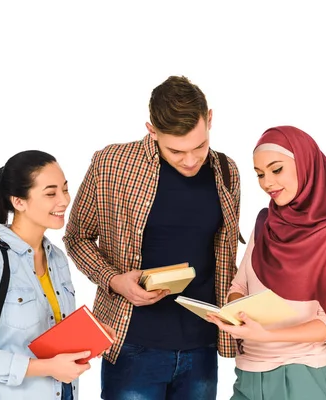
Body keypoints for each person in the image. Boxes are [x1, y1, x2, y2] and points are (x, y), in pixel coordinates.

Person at [63, 75, 242, 399]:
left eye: (199, 146)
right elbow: (77, 238)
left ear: (210, 119)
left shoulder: (226, 171)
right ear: (152, 130)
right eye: (176, 150)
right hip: (132, 343)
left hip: (201, 347)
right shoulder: (111, 164)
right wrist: (115, 281)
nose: (190, 160)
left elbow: (225, 258)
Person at [208, 126, 326, 400]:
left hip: (302, 375)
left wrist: (263, 335)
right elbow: (240, 284)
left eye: (276, 169)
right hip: (248, 372)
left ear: (305, 165)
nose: (267, 182)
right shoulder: (265, 223)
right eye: (259, 174)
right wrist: (236, 311)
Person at [0, 150, 115, 400]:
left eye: (65, 189)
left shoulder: (57, 258)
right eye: (50, 193)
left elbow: (55, 337)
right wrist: (48, 367)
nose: (64, 200)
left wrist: (92, 335)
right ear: (19, 201)